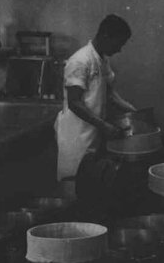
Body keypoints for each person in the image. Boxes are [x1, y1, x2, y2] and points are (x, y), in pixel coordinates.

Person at [55, 14, 138, 181]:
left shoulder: (102, 61)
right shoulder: (80, 61)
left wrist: (133, 111)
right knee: (74, 182)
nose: (119, 49)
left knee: (91, 183)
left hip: (94, 133)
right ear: (106, 36)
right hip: (77, 136)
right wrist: (104, 125)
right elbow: (74, 102)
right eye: (118, 44)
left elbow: (109, 93)